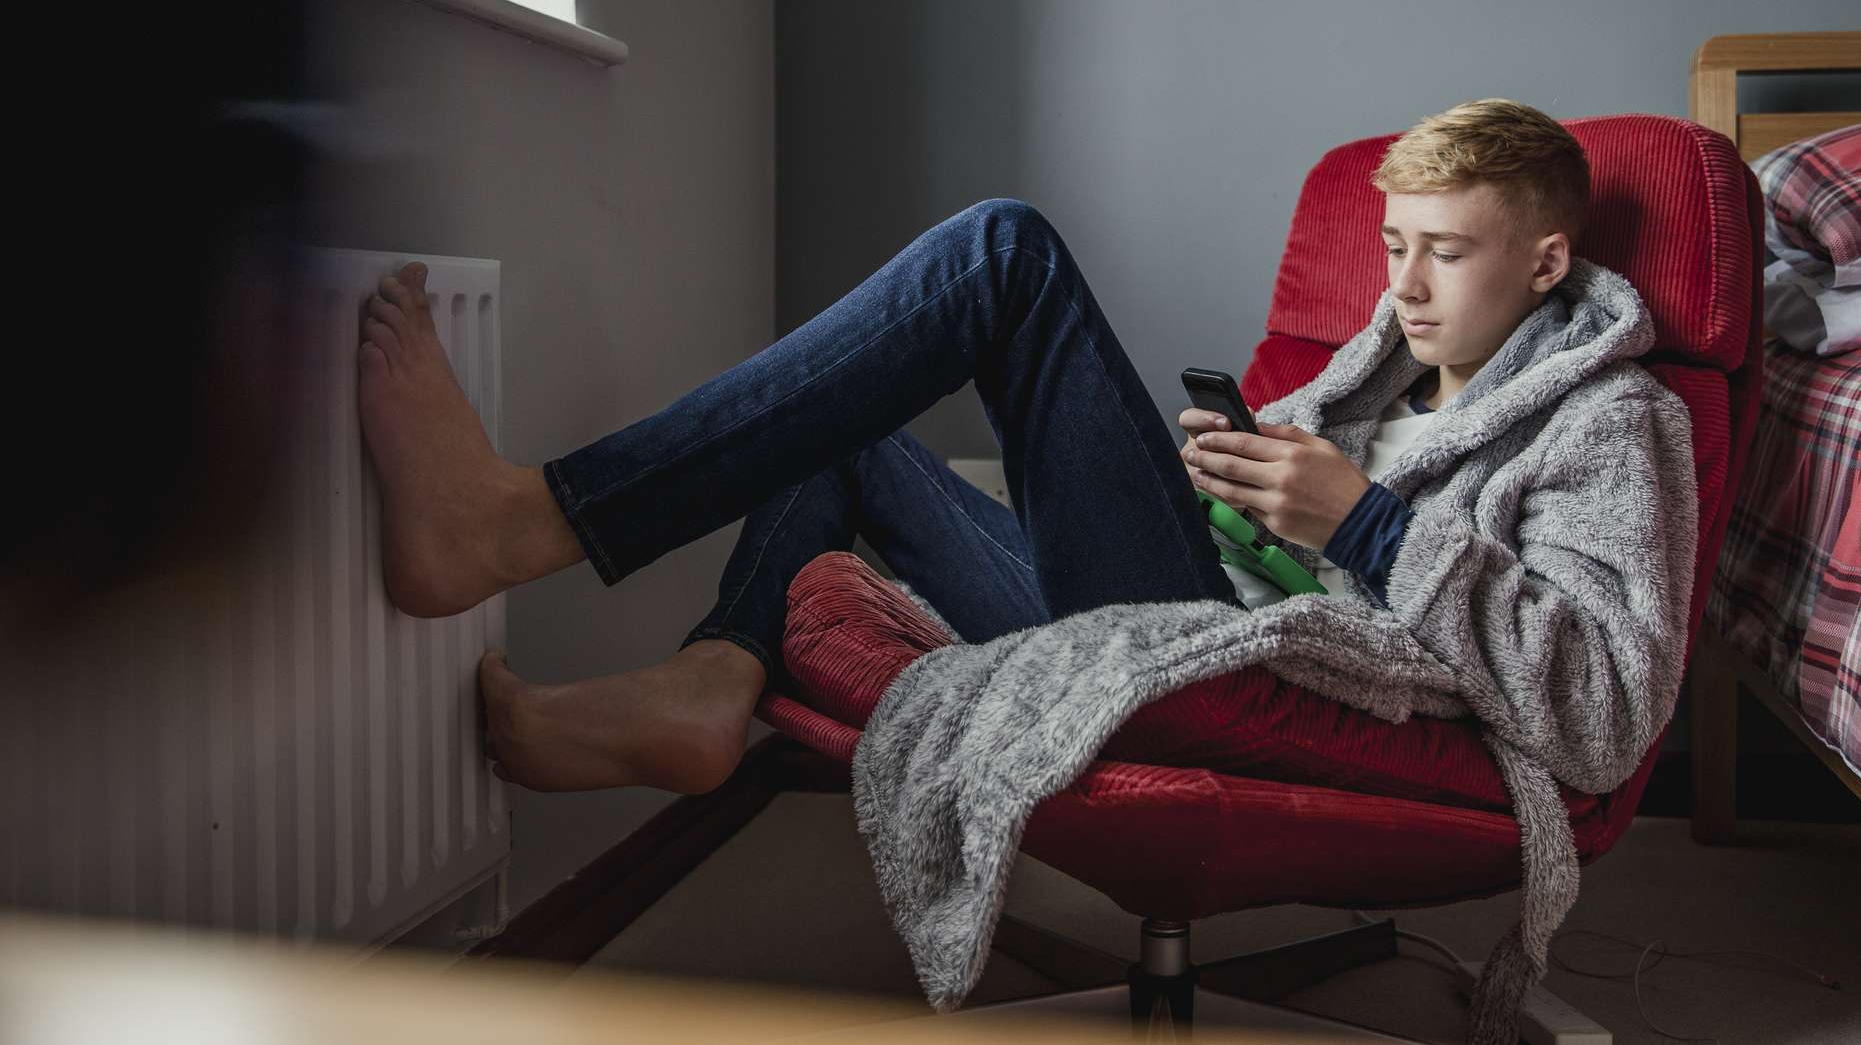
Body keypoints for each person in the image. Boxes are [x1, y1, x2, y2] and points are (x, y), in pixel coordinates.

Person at [354, 98, 1595, 798]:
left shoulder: (1606, 422)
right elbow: (1296, 556)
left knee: (1004, 254)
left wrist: (1362, 521)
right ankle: (713, 683)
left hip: (1248, 673)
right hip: (1202, 614)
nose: (1408, 286)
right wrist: (1243, 493)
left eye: (1450, 249)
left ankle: (525, 523)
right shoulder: (1374, 378)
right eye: (1394, 247)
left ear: (1545, 262)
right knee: (844, 418)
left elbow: (1602, 702)